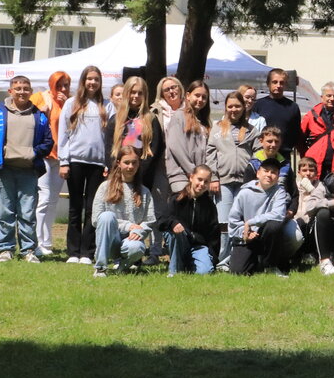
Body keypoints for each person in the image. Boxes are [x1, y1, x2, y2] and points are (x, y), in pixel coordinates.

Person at [0, 75, 54, 262]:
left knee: (27, 212)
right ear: (10, 91)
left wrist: (33, 152)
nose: (22, 92)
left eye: (26, 89)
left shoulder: (39, 116)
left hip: (29, 171)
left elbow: (48, 142)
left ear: (31, 92)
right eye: (18, 88)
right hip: (4, 170)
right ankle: (5, 249)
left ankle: (28, 250)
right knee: (5, 211)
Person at [57, 65, 108, 265]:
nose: (92, 82)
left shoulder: (107, 105)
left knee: (93, 208)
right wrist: (64, 161)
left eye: (96, 79)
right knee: (75, 208)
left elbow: (110, 137)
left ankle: (87, 251)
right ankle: (73, 251)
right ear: (83, 81)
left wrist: (109, 163)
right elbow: (63, 134)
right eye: (89, 79)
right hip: (76, 162)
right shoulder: (71, 103)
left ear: (100, 82)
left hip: (98, 164)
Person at [207, 90, 258, 267]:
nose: (233, 109)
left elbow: (258, 154)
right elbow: (210, 154)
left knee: (239, 221)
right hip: (224, 181)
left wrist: (254, 177)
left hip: (245, 183)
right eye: (230, 106)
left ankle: (236, 259)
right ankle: (222, 260)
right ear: (225, 107)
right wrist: (214, 177)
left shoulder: (251, 130)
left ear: (243, 107)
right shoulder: (217, 128)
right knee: (224, 221)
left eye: (237, 106)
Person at [91, 145, 155, 277]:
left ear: (139, 164)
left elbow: (150, 220)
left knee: (138, 248)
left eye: (134, 163)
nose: (130, 166)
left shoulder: (144, 192)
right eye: (126, 162)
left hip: (130, 241)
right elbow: (96, 219)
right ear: (119, 163)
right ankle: (101, 268)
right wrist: (127, 226)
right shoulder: (105, 187)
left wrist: (139, 231)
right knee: (107, 216)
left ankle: (123, 266)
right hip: (109, 241)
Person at [227, 157, 296, 276]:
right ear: (258, 173)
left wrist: (251, 222)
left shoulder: (280, 192)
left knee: (274, 225)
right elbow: (233, 220)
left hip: (266, 235)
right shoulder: (244, 192)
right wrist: (245, 233)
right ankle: (257, 261)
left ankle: (270, 265)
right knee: (238, 272)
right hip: (247, 237)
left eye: (273, 172)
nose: (269, 175)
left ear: (278, 177)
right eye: (266, 171)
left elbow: (278, 215)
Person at [30, 70, 71, 256]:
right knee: (44, 199)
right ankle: (38, 241)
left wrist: (67, 103)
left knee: (53, 200)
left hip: (61, 157)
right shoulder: (40, 97)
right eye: (58, 85)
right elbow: (28, 117)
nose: (62, 89)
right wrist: (41, 111)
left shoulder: (70, 102)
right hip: (44, 155)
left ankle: (47, 241)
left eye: (65, 85)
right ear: (51, 84)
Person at [103, 76, 164, 195]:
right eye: (133, 92)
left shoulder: (151, 119)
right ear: (126, 93)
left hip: (143, 176)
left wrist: (138, 171)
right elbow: (109, 150)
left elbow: (155, 149)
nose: (136, 96)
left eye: (140, 93)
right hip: (118, 176)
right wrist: (117, 171)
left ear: (145, 95)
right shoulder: (115, 120)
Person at [158, 164, 220, 275]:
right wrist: (173, 223)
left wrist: (212, 257)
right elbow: (162, 220)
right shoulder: (177, 199)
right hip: (180, 242)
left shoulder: (209, 205)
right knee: (174, 232)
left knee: (204, 272)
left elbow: (214, 233)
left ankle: (188, 263)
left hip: (198, 246)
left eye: (206, 181)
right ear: (191, 177)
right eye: (199, 179)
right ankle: (175, 272)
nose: (202, 184)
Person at [164, 79, 212, 195]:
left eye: (204, 97)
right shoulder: (179, 116)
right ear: (188, 95)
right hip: (182, 176)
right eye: (197, 95)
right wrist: (192, 171)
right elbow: (176, 147)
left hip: (199, 179)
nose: (200, 99)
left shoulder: (203, 122)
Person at [256, 68, 302, 158]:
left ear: (285, 85)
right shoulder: (258, 105)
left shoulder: (293, 107)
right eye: (275, 82)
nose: (278, 85)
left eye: (281, 83)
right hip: (262, 155)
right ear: (268, 83)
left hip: (284, 156)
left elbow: (296, 133)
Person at [302, 80, 334, 174]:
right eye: (329, 95)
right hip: (314, 165)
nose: (332, 99)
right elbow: (300, 139)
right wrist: (306, 155)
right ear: (322, 97)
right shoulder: (311, 116)